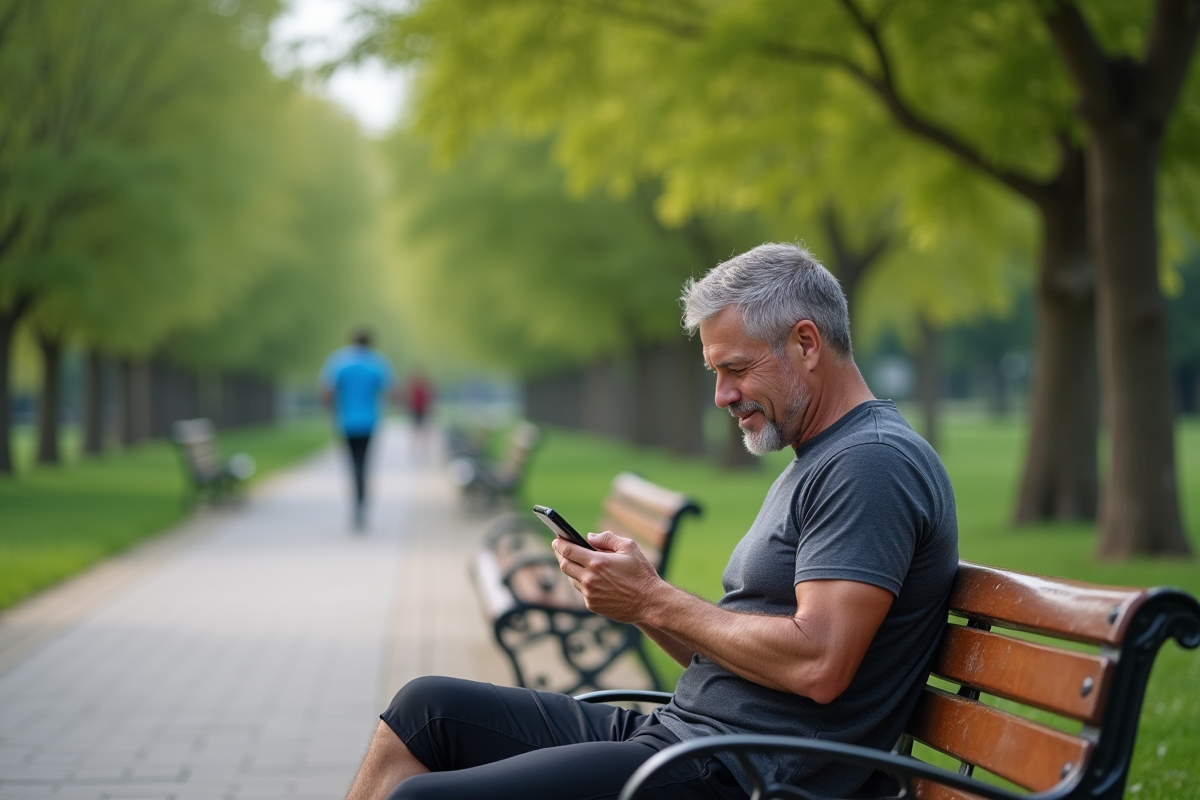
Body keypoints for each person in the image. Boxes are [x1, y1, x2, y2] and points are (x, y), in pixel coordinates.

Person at [344, 243, 959, 800]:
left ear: (806, 343)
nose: (722, 396)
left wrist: (653, 599)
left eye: (737, 368)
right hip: (692, 738)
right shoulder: (825, 457)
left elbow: (818, 665)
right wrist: (639, 599)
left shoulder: (871, 464)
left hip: (742, 774)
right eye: (715, 373)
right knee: (424, 711)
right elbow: (742, 648)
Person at [320, 329, 398, 531]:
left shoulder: (339, 361)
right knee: (364, 464)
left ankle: (357, 505)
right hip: (369, 422)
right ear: (370, 343)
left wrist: (332, 409)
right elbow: (390, 391)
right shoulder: (377, 362)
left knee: (352, 464)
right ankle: (361, 506)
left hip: (345, 422)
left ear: (352, 342)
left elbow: (327, 390)